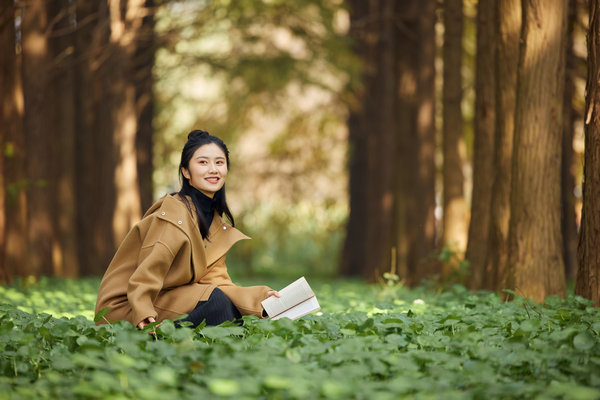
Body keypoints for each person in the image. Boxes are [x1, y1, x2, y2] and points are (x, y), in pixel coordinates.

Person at [95, 130, 279, 329]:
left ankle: (175, 336)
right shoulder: (174, 215)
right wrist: (142, 311)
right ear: (185, 171)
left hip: (166, 297)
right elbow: (148, 271)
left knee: (224, 306)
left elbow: (218, 282)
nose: (213, 169)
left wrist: (263, 299)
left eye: (219, 162)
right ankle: (160, 336)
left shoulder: (215, 222)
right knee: (218, 304)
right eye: (203, 162)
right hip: (125, 308)